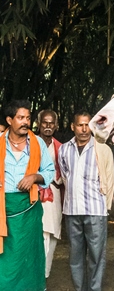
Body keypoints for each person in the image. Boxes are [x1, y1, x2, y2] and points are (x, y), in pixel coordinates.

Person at [0, 99, 55, 290]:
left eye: (28, 118)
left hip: (29, 208)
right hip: (3, 210)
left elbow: (50, 171)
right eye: (20, 118)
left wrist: (34, 177)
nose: (25, 122)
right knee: (6, 258)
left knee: (30, 255)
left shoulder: (37, 143)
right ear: (9, 120)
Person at [58, 111, 114, 291]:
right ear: (72, 127)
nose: (84, 129)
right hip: (72, 210)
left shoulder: (102, 148)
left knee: (97, 255)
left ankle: (95, 288)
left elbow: (110, 179)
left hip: (96, 210)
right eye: (80, 125)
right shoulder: (65, 149)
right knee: (75, 255)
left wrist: (107, 206)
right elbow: (66, 177)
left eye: (87, 125)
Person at [36, 109, 63, 278]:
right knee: (39, 232)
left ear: (56, 125)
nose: (48, 125)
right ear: (38, 124)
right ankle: (36, 274)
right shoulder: (29, 143)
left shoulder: (61, 147)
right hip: (33, 193)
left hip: (54, 195)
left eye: (51, 122)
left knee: (52, 233)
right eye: (44, 122)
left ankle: (45, 274)